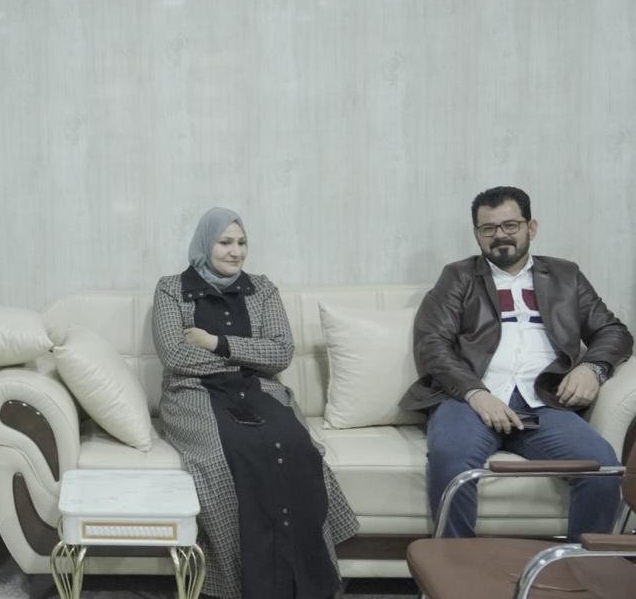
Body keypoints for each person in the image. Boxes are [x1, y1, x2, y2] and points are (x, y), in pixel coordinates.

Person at [403, 186, 631, 539]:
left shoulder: (565, 276)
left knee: (602, 467)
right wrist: (476, 393)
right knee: (450, 459)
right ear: (477, 234)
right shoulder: (458, 276)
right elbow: (432, 343)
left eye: (510, 225)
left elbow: (613, 332)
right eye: (488, 228)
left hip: (546, 402)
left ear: (531, 227)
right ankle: (454, 567)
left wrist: (593, 368)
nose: (500, 235)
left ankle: (584, 567)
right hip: (470, 401)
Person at [153, 208, 357, 599]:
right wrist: (249, 355)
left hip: (258, 388)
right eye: (225, 242)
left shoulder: (262, 289)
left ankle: (306, 581)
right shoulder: (171, 289)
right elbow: (176, 356)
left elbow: (280, 353)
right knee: (222, 459)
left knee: (296, 448)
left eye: (242, 242)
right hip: (193, 393)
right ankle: (240, 583)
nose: (236, 252)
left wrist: (216, 342)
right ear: (205, 244)